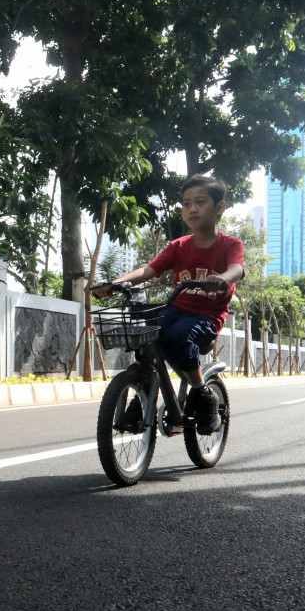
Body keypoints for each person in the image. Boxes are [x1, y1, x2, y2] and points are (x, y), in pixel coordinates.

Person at [93, 173, 245, 431]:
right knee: (148, 335)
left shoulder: (230, 244)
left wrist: (223, 278)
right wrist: (117, 284)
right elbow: (148, 270)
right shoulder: (178, 246)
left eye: (200, 202)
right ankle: (142, 393)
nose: (192, 209)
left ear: (219, 208)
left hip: (206, 317)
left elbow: (237, 269)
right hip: (175, 309)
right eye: (186, 204)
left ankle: (201, 393)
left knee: (177, 337)